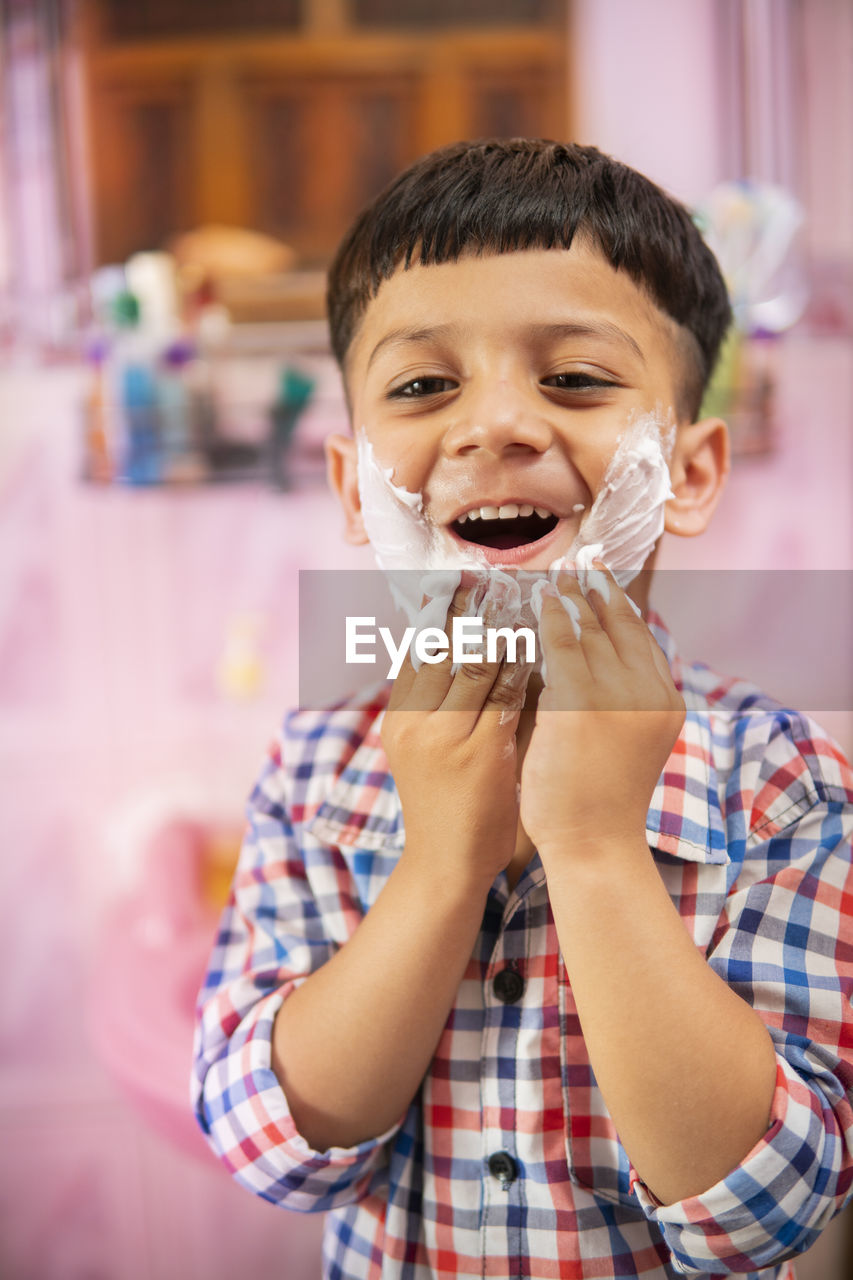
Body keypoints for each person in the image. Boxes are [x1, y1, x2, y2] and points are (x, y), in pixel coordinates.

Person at [191, 140, 853, 1279]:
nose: (494, 425)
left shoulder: (781, 777)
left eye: (577, 379)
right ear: (355, 489)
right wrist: (439, 863)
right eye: (422, 385)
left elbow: (763, 1211)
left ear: (688, 473)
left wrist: (597, 847)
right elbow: (275, 1150)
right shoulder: (314, 762)